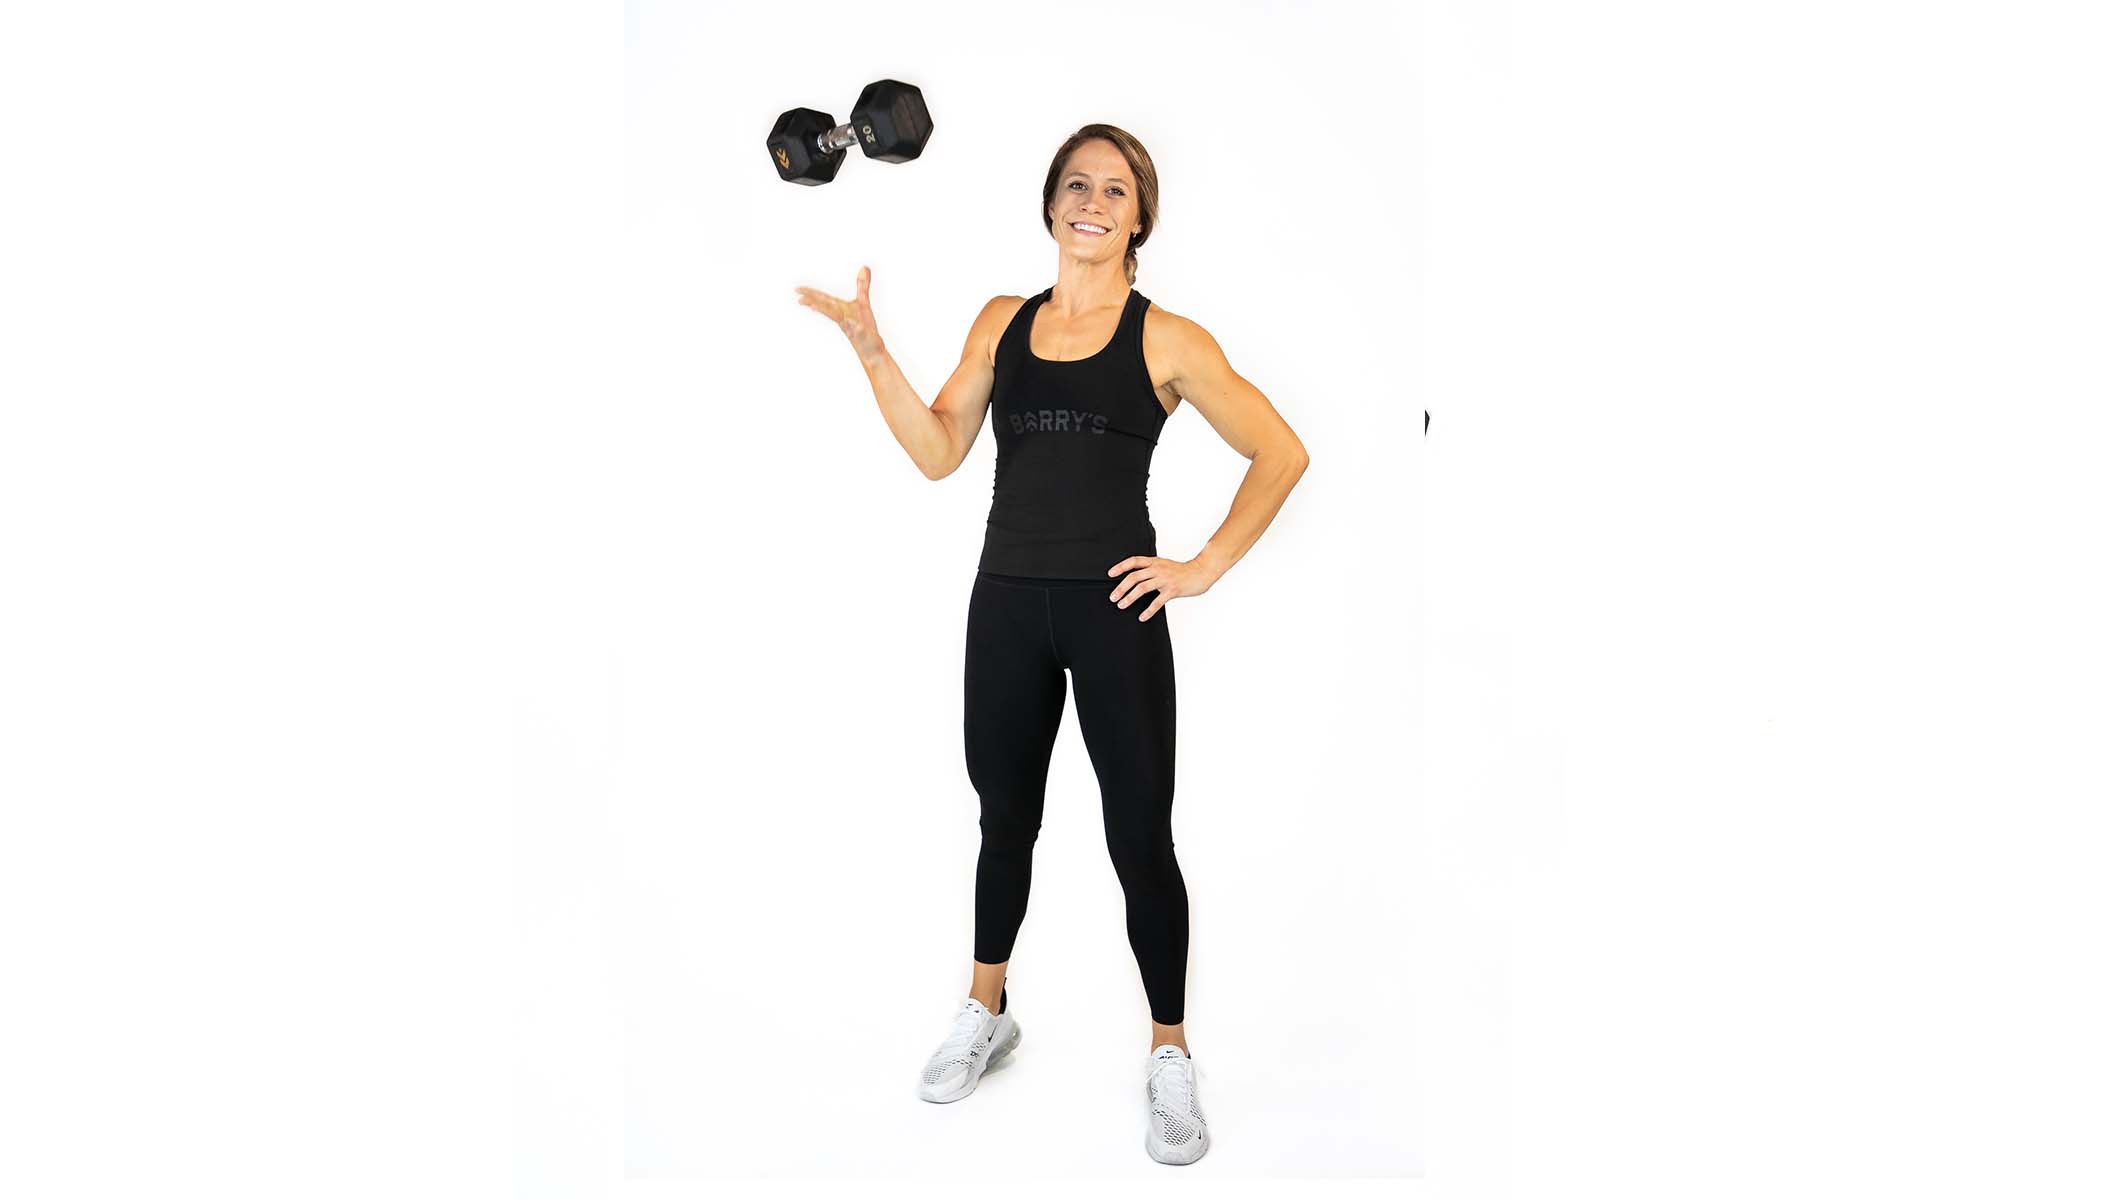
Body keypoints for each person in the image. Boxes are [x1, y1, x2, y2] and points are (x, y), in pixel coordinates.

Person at [794, 123, 1308, 1166]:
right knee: (1003, 821)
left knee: (1139, 841)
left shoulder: (1167, 341)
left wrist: (1199, 565)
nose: (1091, 202)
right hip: (1007, 607)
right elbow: (940, 449)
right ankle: (986, 1010)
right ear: (1050, 204)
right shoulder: (1000, 321)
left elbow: (1280, 450)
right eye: (1075, 184)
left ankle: (1169, 1053)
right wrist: (872, 351)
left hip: (1114, 617)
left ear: (1137, 218)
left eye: (1114, 191)